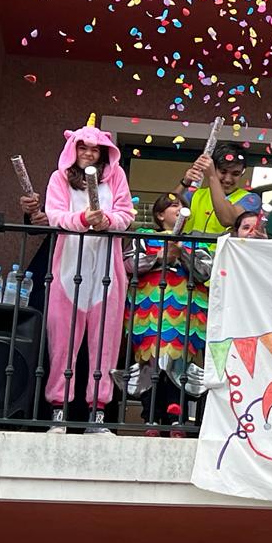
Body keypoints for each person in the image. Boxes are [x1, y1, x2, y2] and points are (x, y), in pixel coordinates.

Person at [43, 114, 135, 434]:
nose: (89, 154)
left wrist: (107, 221)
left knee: (105, 345)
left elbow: (126, 215)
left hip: (107, 274)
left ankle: (98, 416)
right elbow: (54, 215)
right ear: (74, 148)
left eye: (95, 150)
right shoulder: (59, 179)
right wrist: (83, 218)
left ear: (103, 153)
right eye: (83, 147)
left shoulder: (117, 178)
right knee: (63, 342)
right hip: (69, 270)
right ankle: (59, 412)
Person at [123, 194, 212, 437]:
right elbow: (129, 264)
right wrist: (160, 257)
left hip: (185, 315)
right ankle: (151, 416)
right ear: (160, 215)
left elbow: (205, 271)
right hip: (148, 313)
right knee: (149, 363)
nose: (179, 209)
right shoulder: (144, 236)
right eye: (173, 206)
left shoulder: (196, 242)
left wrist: (181, 251)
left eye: (182, 205)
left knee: (179, 363)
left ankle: (177, 418)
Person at [172, 142, 261, 235]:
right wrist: (184, 183)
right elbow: (164, 212)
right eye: (223, 171)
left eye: (235, 174)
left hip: (223, 250)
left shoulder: (251, 199)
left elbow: (228, 220)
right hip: (189, 249)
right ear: (214, 168)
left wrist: (212, 176)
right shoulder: (195, 194)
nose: (228, 179)